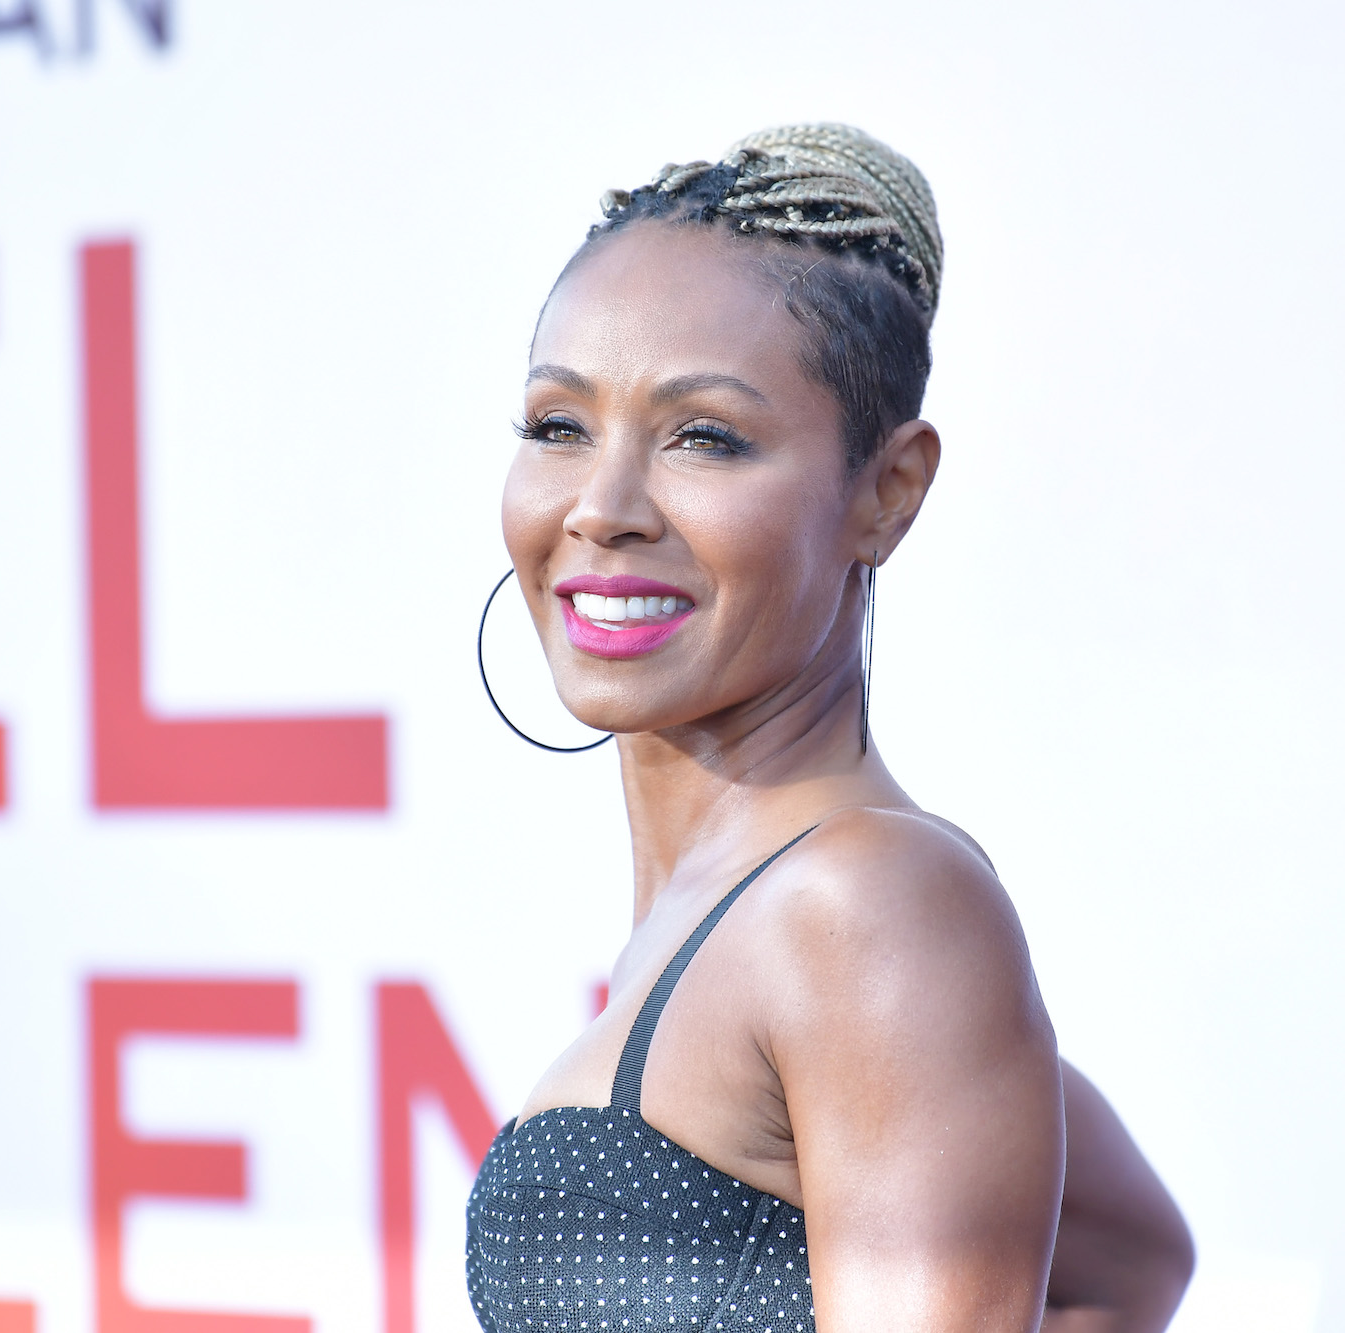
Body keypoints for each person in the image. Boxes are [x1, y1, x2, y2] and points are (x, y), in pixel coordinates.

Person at [465, 124, 1193, 1332]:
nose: (601, 506)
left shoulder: (869, 909)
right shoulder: (771, 916)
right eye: (556, 425)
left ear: (885, 492)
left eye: (704, 436)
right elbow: (1128, 1256)